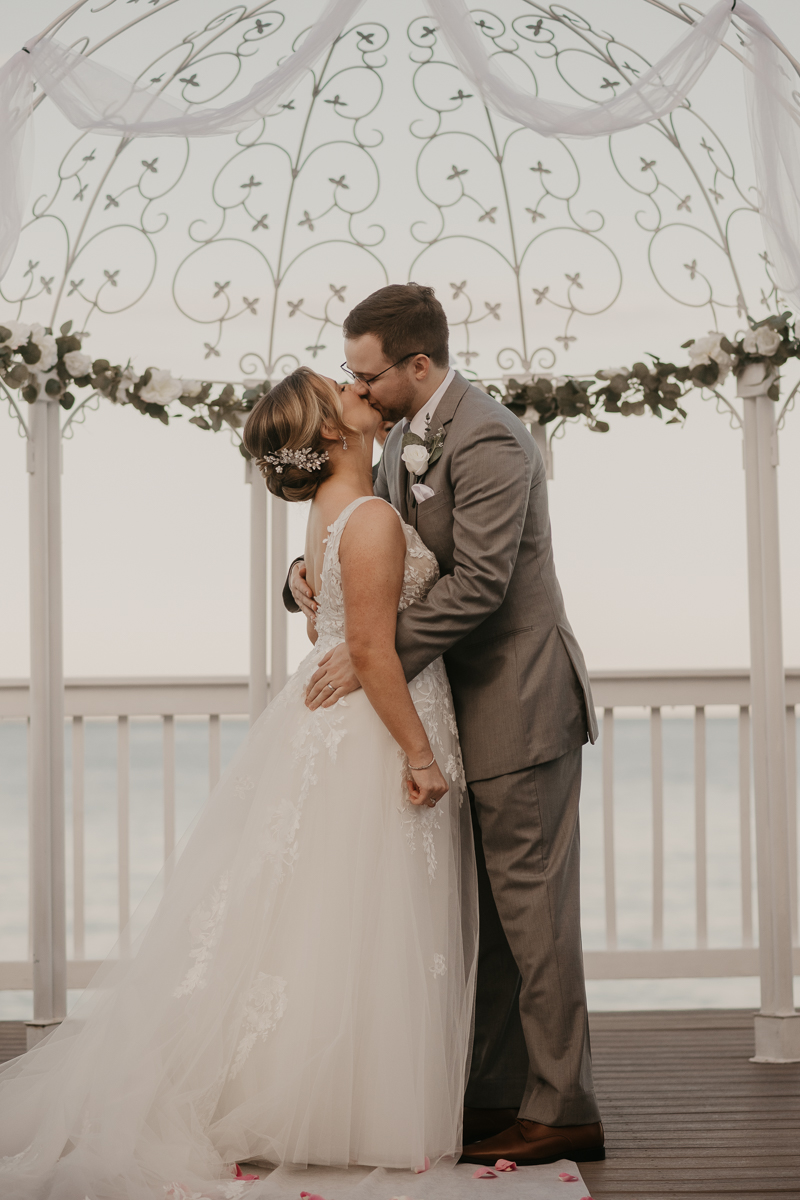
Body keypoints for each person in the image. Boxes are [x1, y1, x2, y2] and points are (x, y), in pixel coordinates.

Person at [0, 369, 478, 1198]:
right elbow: (370, 651)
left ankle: (327, 1097)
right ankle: (329, 1106)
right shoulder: (368, 519)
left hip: (331, 728)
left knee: (323, 920)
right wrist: (421, 757)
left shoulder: (335, 511)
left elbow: (335, 605)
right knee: (359, 917)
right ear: (330, 431)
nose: (356, 386)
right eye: (343, 387)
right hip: (367, 734)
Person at [285, 283, 604, 1167]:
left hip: (519, 700)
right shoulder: (403, 442)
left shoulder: (491, 437)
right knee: (488, 922)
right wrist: (304, 579)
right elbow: (384, 542)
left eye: (366, 374)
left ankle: (565, 1104)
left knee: (533, 917)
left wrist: (370, 650)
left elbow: (483, 584)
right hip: (461, 706)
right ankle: (500, 1096)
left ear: (416, 366)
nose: (358, 389)